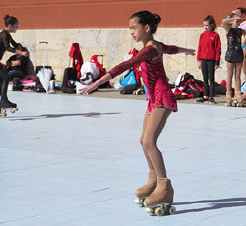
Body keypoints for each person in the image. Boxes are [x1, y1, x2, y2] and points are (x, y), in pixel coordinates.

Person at [81, 10, 195, 210]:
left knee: (150, 141)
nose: (131, 32)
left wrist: (97, 82)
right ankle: (153, 180)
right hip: (153, 100)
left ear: (147, 28)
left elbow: (127, 64)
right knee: (143, 140)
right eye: (130, 28)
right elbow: (172, 49)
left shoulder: (149, 50)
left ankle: (165, 186)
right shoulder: (155, 46)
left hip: (162, 97)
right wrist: (187, 50)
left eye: (134, 28)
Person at [0, 14, 28, 115]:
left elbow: (14, 44)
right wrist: (20, 52)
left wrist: (20, 46)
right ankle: (3, 100)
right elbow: (8, 47)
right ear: (10, 25)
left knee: (1, 81)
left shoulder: (8, 35)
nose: (18, 27)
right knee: (5, 78)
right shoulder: (3, 34)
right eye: (16, 25)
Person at [222, 13, 246, 106]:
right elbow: (224, 22)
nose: (238, 22)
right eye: (236, 20)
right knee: (230, 75)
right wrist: (234, 18)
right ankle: (228, 93)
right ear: (232, 21)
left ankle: (238, 92)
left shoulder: (241, 31)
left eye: (239, 21)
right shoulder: (229, 29)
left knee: (238, 75)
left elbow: (243, 41)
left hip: (239, 52)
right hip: (230, 53)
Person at [196, 15, 221, 104]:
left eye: (206, 25)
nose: (205, 27)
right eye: (204, 25)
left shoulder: (215, 35)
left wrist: (217, 62)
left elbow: (218, 50)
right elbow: (200, 48)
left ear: (211, 25)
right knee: (205, 78)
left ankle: (211, 97)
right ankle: (205, 96)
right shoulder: (202, 35)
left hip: (211, 60)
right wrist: (199, 60)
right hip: (203, 59)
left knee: (211, 78)